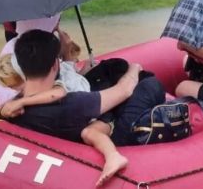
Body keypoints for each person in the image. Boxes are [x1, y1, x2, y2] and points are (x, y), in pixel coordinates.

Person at [8, 29, 165, 187]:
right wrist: (135, 68)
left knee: (109, 68)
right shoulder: (70, 104)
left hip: (72, 128)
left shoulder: (12, 106)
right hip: (105, 133)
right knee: (149, 85)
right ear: (56, 65)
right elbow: (124, 90)